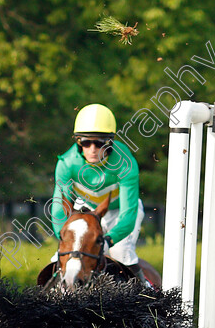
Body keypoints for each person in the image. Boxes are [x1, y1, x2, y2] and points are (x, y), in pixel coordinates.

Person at [49, 103, 148, 285]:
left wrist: (108, 242)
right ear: (79, 143)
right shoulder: (66, 164)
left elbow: (128, 217)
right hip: (84, 212)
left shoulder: (126, 164)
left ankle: (147, 292)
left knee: (120, 253)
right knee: (60, 256)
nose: (92, 148)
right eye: (86, 142)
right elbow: (58, 211)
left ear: (109, 142)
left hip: (120, 214)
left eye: (99, 142)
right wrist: (64, 237)